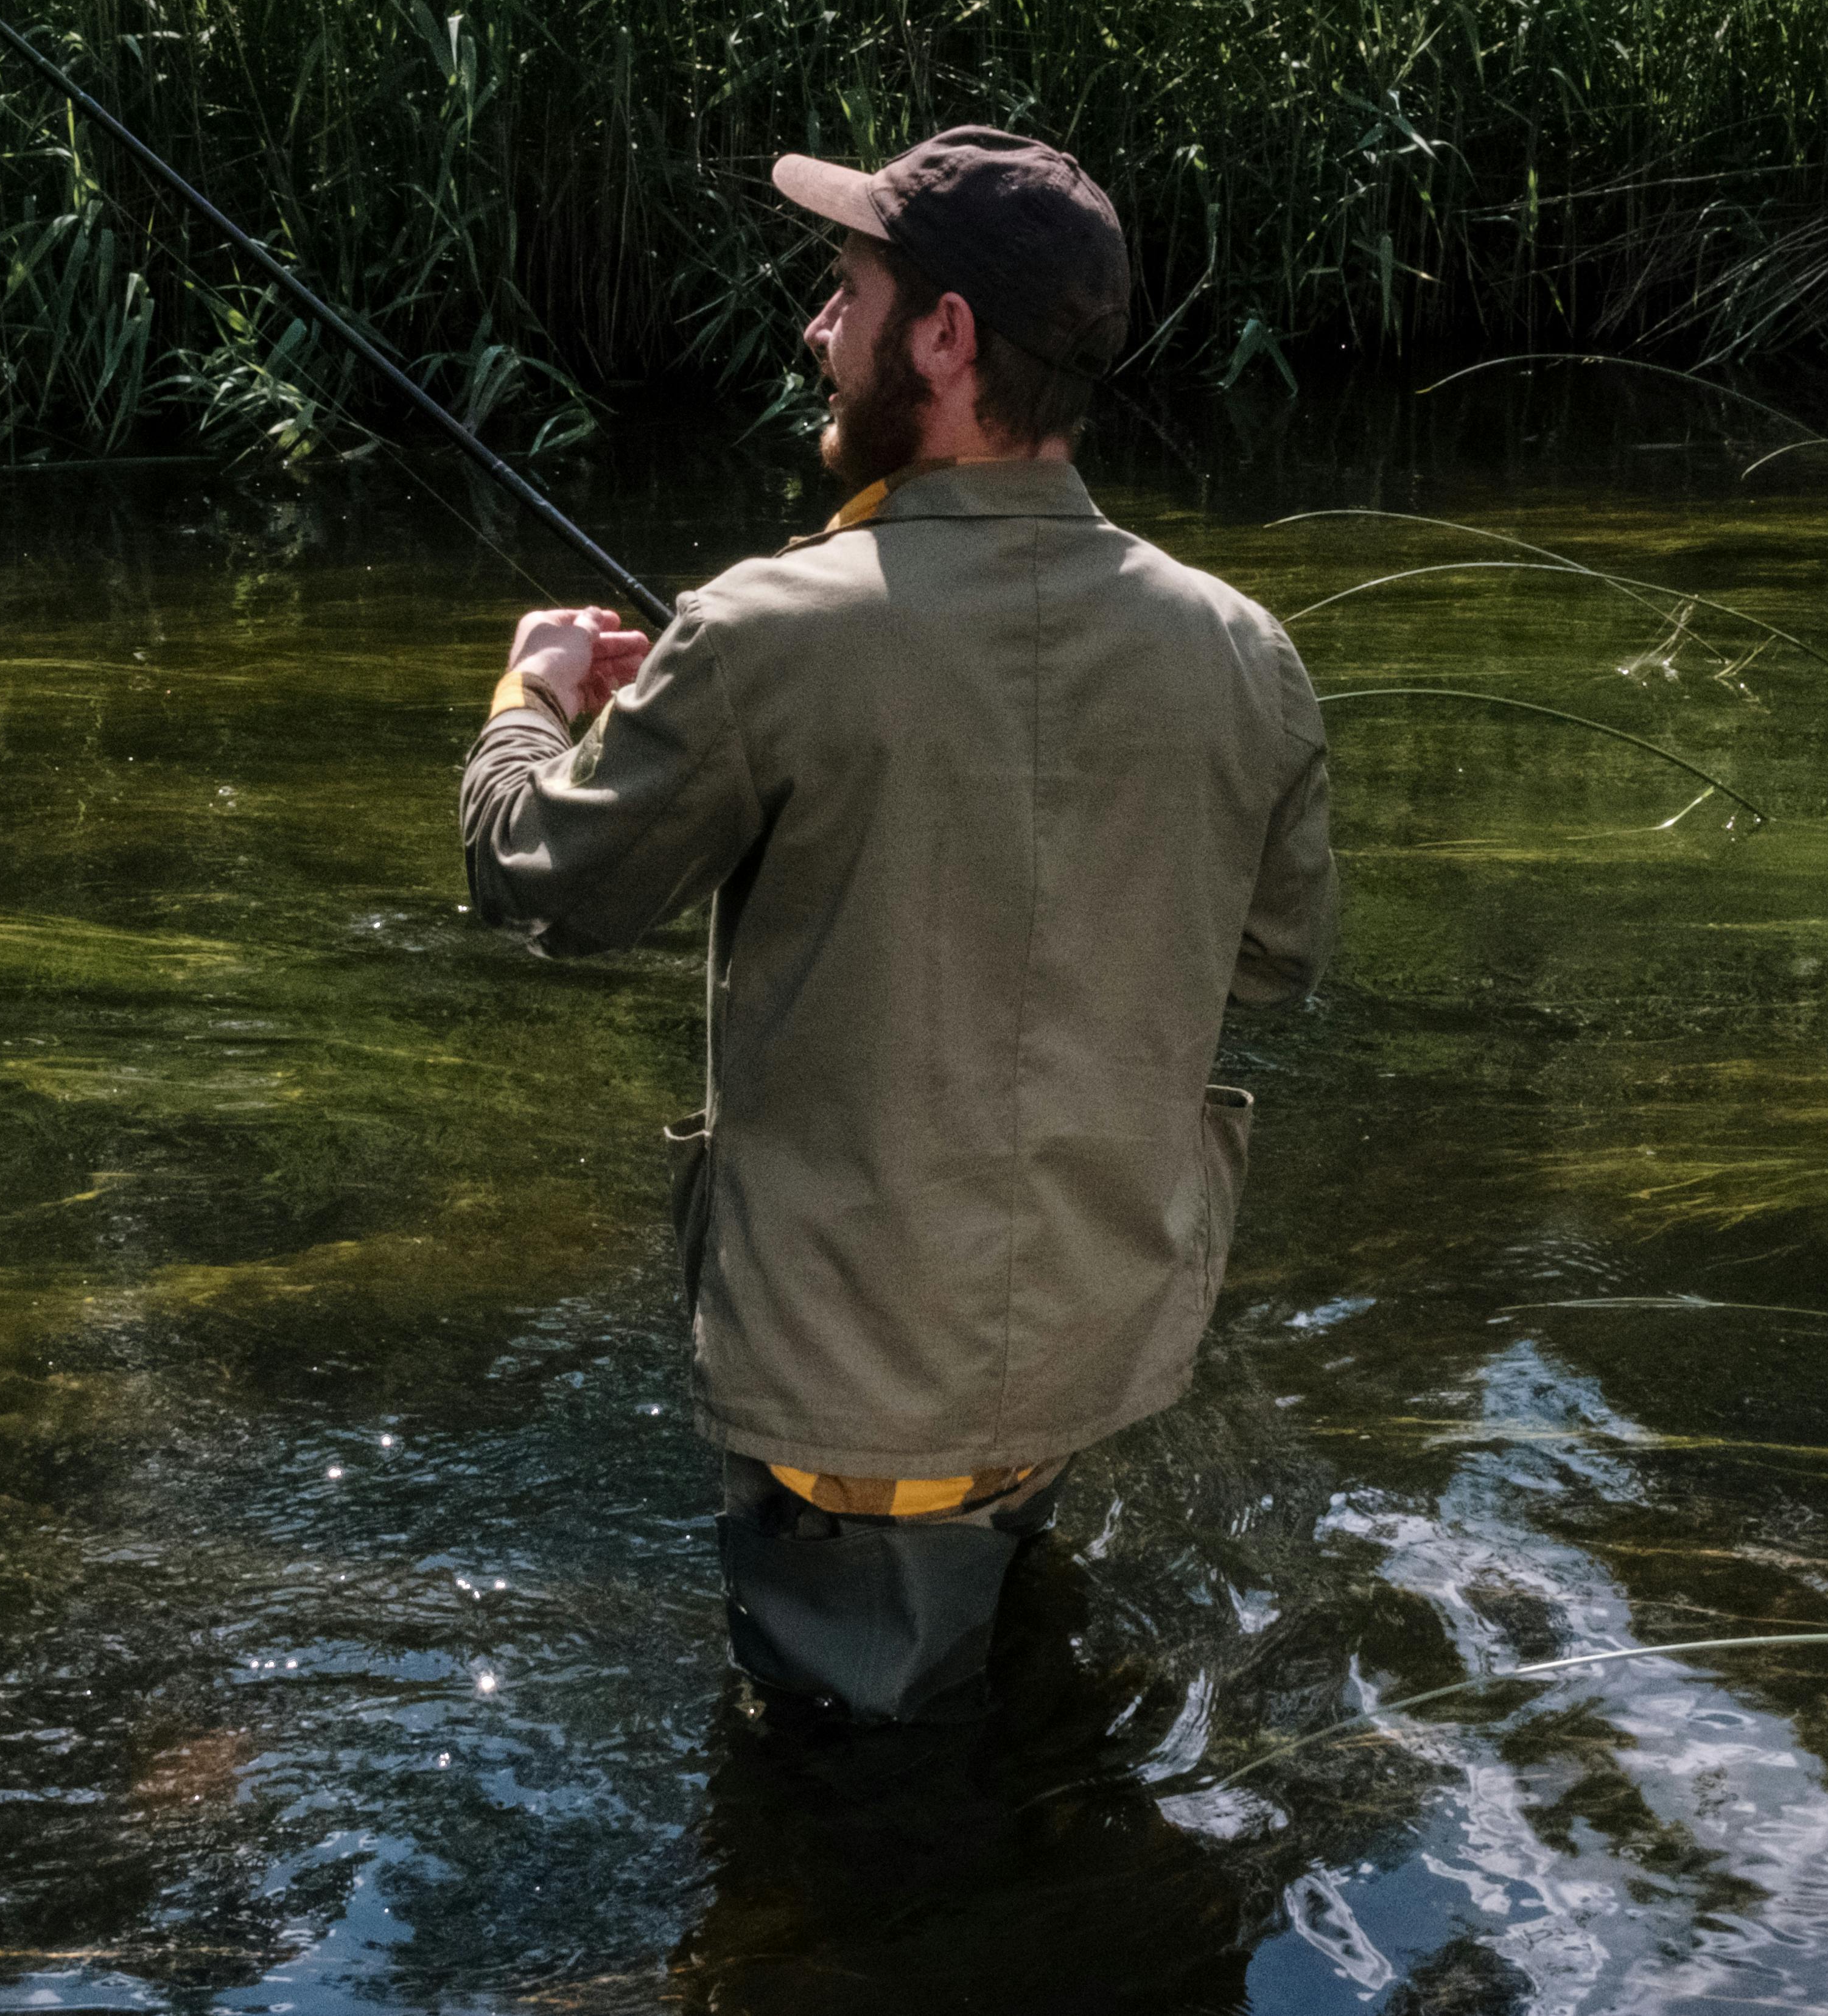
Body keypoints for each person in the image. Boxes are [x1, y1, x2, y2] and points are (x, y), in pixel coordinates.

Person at [458, 125, 1336, 1724]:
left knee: (855, 1810)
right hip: (1089, 1348)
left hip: (857, 1399)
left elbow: (542, 878)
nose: (816, 326)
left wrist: (531, 702)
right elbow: (1268, 962)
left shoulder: (765, 634)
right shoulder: (1244, 651)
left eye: (845, 289)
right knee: (1011, 1732)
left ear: (940, 336)